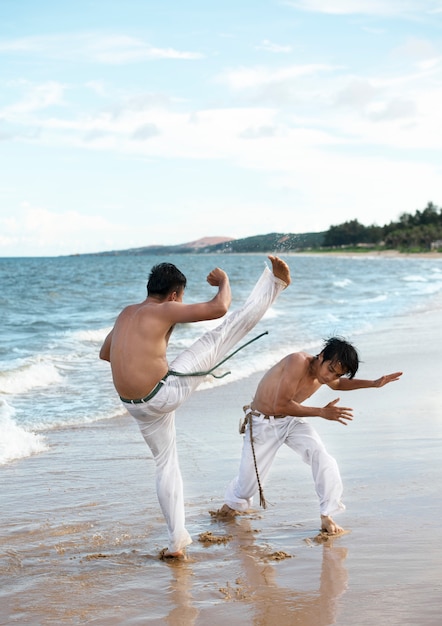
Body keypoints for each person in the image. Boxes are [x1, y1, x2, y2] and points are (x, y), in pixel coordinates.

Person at [99, 255, 291, 558]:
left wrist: (144, 357)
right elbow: (220, 308)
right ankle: (276, 284)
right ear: (174, 295)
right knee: (222, 334)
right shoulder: (165, 308)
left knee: (165, 465)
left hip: (134, 405)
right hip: (162, 394)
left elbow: (105, 354)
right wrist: (224, 281)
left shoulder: (126, 313)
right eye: (180, 298)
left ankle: (177, 541)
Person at [219, 337, 402, 534]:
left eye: (337, 373)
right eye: (330, 369)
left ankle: (327, 514)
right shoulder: (297, 362)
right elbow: (280, 404)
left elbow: (338, 384)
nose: (330, 377)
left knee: (323, 458)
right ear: (321, 356)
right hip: (263, 423)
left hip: (291, 420)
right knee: (247, 489)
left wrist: (374, 383)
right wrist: (322, 412)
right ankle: (230, 504)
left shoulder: (326, 376)